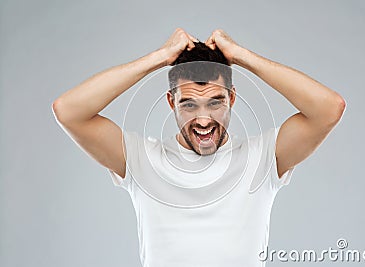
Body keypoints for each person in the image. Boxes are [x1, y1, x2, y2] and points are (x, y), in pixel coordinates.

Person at [52, 28, 346, 266]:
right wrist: (159, 57)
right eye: (189, 104)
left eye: (215, 102)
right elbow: (68, 111)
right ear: (171, 103)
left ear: (231, 99)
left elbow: (329, 108)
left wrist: (241, 56)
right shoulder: (143, 160)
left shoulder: (262, 157)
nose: (203, 119)